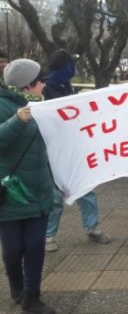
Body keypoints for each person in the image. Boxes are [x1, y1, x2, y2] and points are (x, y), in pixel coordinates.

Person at [0, 59, 56, 313]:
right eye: (40, 81)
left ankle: (32, 297)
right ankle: (17, 287)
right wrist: (16, 121)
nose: (44, 85)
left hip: (39, 191)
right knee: (13, 250)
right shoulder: (4, 106)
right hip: (11, 194)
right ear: (27, 86)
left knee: (35, 247)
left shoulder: (44, 106)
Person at [43, 49, 110, 252]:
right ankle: (48, 235)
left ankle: (92, 227)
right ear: (65, 67)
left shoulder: (65, 87)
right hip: (53, 152)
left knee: (85, 188)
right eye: (71, 64)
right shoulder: (45, 89)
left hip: (74, 149)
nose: (75, 68)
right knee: (55, 196)